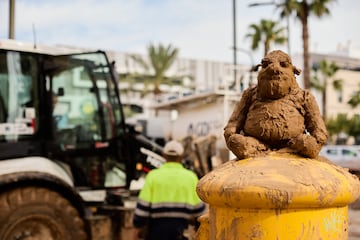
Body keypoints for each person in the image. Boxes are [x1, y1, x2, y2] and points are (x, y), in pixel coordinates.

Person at [133, 140, 206, 240]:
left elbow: (142, 210)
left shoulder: (153, 176)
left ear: (164, 156)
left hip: (156, 234)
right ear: (181, 157)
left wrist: (138, 226)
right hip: (181, 233)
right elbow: (200, 212)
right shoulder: (191, 177)